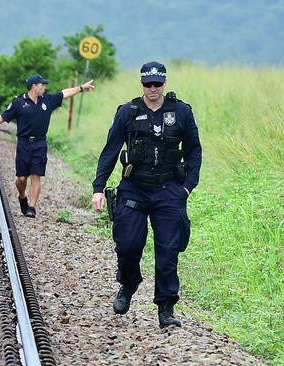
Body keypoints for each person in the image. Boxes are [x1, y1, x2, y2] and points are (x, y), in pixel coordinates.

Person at [91, 61, 202, 328]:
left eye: (157, 83)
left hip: (169, 190)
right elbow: (110, 150)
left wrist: (187, 186)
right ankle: (128, 284)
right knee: (128, 245)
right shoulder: (128, 112)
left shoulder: (181, 112)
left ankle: (166, 308)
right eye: (147, 84)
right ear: (141, 84)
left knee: (168, 251)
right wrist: (98, 187)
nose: (152, 88)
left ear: (165, 83)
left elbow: (194, 151)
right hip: (134, 188)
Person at [0, 74, 94, 217]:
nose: (44, 87)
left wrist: (81, 88)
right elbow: (3, 116)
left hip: (40, 143)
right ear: (34, 86)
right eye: (42, 84)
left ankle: (32, 207)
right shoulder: (19, 103)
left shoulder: (47, 100)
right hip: (24, 143)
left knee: (36, 176)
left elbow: (65, 93)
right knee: (21, 178)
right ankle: (22, 196)